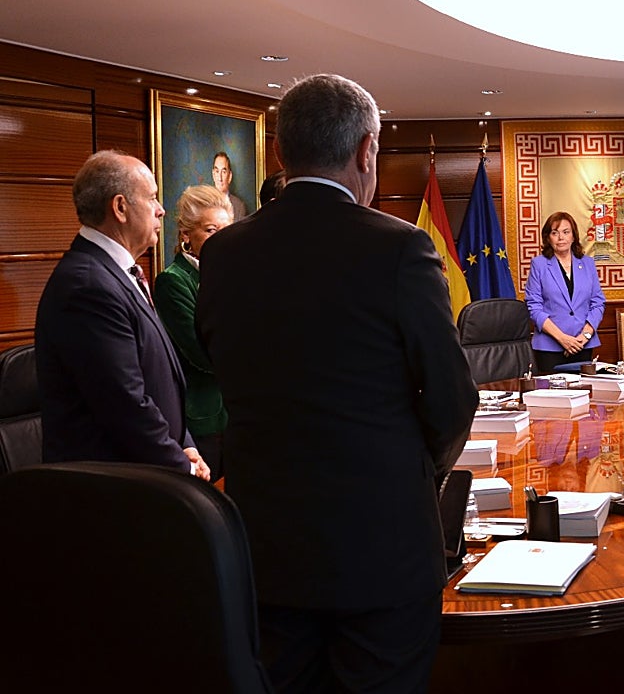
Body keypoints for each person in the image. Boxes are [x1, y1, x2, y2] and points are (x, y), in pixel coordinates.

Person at [196, 74, 477, 693]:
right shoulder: (400, 249)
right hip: (381, 553)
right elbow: (454, 400)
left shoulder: (223, 254)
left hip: (267, 552)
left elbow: (224, 369)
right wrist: (412, 470)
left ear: (278, 153)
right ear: (366, 151)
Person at [35, 150, 209, 479]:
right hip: (111, 489)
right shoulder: (87, 285)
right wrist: (181, 464)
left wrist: (184, 444)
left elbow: (156, 378)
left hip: (141, 476)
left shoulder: (116, 272)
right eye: (152, 198)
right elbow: (123, 402)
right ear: (120, 208)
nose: (161, 210)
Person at [154, 185, 234, 481]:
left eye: (227, 230)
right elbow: (202, 353)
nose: (222, 239)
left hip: (236, 413)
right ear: (186, 235)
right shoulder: (172, 281)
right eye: (211, 230)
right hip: (202, 418)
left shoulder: (233, 275)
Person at [525, 211, 606, 374]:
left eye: (566, 232)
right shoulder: (539, 265)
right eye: (555, 233)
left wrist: (585, 336)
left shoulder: (588, 263)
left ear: (573, 236)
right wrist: (562, 338)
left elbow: (598, 303)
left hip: (583, 345)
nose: (561, 238)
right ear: (548, 238)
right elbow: (534, 308)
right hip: (550, 347)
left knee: (584, 389)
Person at [212, 150, 248, 219]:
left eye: (223, 172)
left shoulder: (239, 207)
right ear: (213, 175)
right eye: (217, 171)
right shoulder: (204, 204)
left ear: (230, 176)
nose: (220, 178)